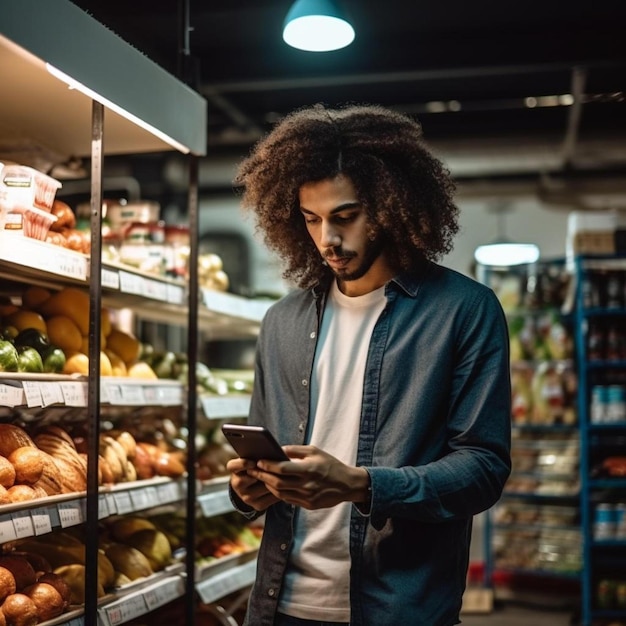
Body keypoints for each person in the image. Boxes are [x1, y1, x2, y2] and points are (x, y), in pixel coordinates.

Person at [226, 103, 512, 626]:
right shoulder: (282, 322)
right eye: (310, 219)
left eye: (344, 216)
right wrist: (249, 490)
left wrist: (362, 485)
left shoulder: (465, 311)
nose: (326, 240)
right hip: (281, 604)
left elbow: (483, 469)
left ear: (390, 204)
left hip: (399, 605)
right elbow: (266, 446)